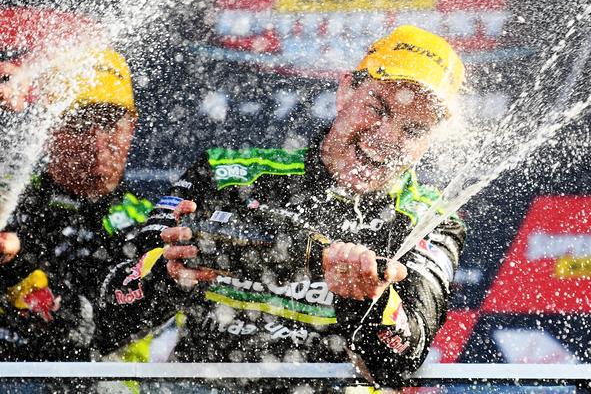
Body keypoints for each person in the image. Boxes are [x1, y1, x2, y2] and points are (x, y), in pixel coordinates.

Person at [97, 25, 467, 386]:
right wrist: (166, 276)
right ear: (345, 92)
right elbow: (111, 313)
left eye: (413, 130)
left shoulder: (430, 219)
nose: (387, 137)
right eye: (379, 109)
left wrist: (370, 301)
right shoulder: (224, 172)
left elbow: (401, 360)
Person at [0, 48, 154, 361]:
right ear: (47, 129)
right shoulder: (8, 197)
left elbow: (90, 335)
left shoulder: (149, 223)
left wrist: (14, 265)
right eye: (81, 124)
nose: (97, 144)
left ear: (132, 126)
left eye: (110, 123)